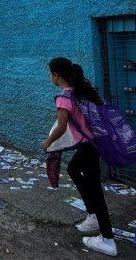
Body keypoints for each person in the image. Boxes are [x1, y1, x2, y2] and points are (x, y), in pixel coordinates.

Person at [41, 57, 117, 257]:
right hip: (93, 144)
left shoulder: (65, 98)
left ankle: (107, 239)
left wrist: (48, 142)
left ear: (56, 75)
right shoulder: (80, 92)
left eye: (50, 73)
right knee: (73, 170)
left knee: (95, 190)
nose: (50, 76)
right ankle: (92, 214)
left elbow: (61, 125)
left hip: (88, 146)